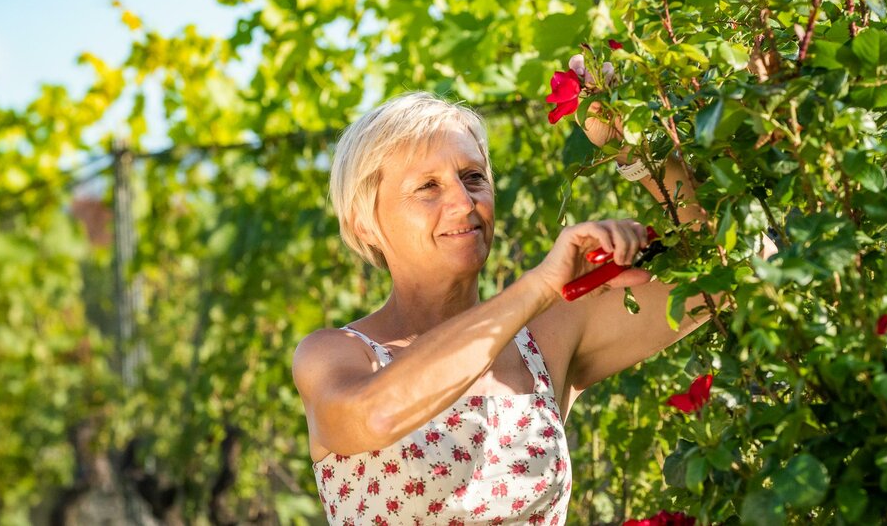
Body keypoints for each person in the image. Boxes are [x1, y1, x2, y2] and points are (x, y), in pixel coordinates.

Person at [293, 91, 773, 525]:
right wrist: (538, 286)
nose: (463, 202)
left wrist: (631, 144)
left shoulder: (546, 339)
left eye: (473, 177)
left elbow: (744, 264)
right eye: (428, 188)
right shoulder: (336, 355)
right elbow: (375, 417)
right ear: (363, 224)